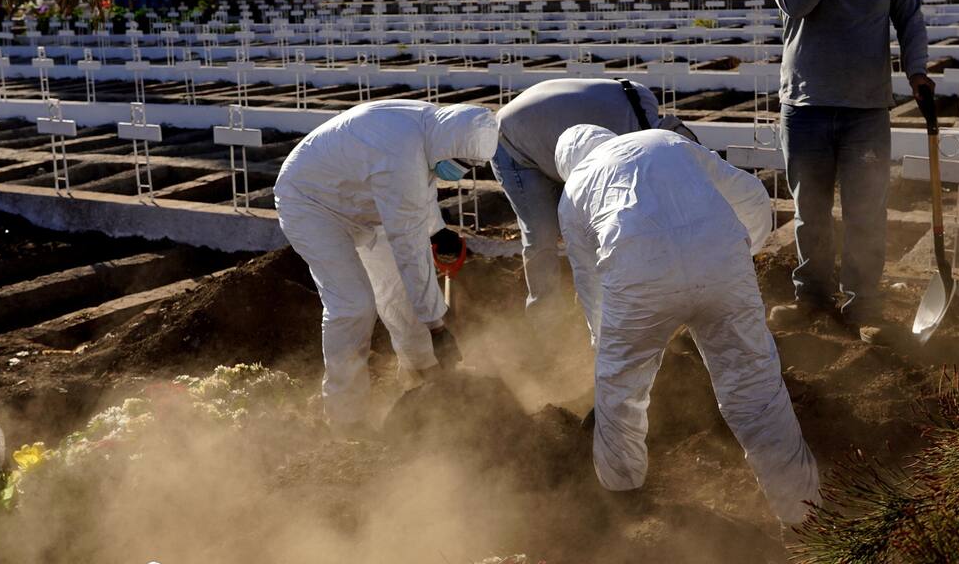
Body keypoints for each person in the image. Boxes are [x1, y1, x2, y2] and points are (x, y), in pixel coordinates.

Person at [555, 124, 819, 526]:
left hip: (639, 278)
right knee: (756, 390)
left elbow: (589, 281)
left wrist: (605, 345)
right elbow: (750, 194)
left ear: (567, 164)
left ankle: (625, 501)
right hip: (722, 264)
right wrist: (741, 251)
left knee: (621, 393)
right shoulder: (667, 140)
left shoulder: (574, 188)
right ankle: (805, 516)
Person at [770, 0, 931, 342]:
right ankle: (813, 299)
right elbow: (793, 3)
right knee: (811, 211)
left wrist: (917, 71)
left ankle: (866, 305)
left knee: (866, 211)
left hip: (865, 111)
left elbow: (910, 17)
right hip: (806, 107)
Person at [274, 100, 498, 431]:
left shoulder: (430, 131)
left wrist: (436, 231)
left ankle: (423, 375)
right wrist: (438, 327)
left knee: (401, 293)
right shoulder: (399, 153)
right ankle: (345, 417)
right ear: (449, 144)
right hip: (311, 203)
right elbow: (409, 245)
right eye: (460, 161)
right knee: (353, 304)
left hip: (361, 200)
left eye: (469, 166)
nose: (460, 170)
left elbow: (423, 183)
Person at [491, 78, 695, 325]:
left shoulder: (643, 97)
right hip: (515, 143)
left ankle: (597, 301)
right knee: (542, 235)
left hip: (545, 127)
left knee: (594, 226)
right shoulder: (619, 146)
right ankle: (544, 320)